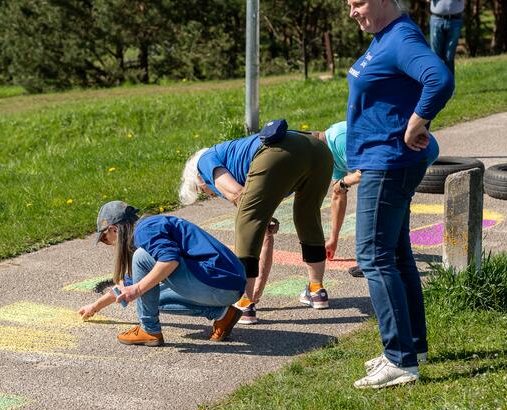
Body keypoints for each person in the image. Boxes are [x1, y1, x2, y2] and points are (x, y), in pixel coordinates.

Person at [346, 0, 454, 389]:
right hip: (386, 160)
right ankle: (414, 347)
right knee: (395, 253)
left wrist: (417, 121)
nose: (352, 12)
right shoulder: (385, 37)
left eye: (357, 2)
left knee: (374, 257)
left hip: (388, 163)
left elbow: (439, 79)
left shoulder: (400, 38)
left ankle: (400, 360)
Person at [179, 128, 334, 324]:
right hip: (319, 152)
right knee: (307, 216)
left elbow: (237, 193)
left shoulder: (204, 162)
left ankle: (243, 303)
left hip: (277, 152)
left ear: (199, 179)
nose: (208, 193)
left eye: (202, 190)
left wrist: (255, 216)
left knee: (245, 224)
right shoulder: (235, 156)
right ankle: (316, 290)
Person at [78, 201, 245, 346]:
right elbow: (126, 285)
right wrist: (94, 307)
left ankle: (149, 330)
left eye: (105, 238)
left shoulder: (144, 230)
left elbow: (170, 260)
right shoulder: (147, 228)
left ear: (114, 229)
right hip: (226, 285)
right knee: (149, 298)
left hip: (219, 283)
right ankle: (223, 314)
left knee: (141, 259)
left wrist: (138, 289)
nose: (107, 243)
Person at [315, 121, 441, 278]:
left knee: (378, 202)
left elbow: (366, 171)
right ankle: (394, 256)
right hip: (408, 152)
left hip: (420, 147)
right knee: (394, 203)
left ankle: (375, 261)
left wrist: (344, 181)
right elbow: (338, 194)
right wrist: (333, 238)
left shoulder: (339, 140)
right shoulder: (327, 153)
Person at [429, 0, 464, 75]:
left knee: (449, 57)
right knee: (435, 56)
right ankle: (436, 84)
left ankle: (449, 85)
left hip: (455, 20)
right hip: (436, 19)